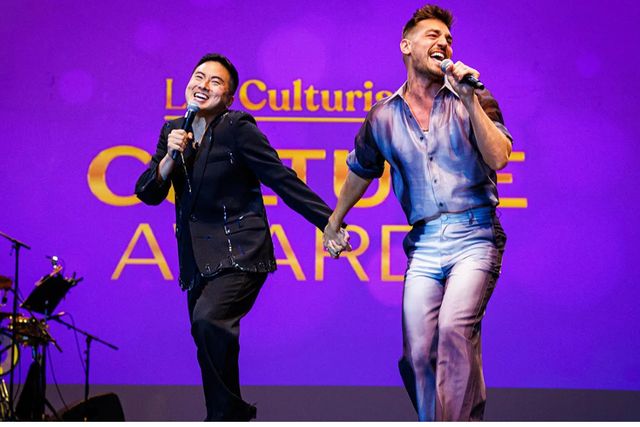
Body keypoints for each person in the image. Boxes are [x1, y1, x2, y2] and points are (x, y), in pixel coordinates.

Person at [323, 4, 512, 421]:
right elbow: (360, 170)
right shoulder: (383, 116)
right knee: (418, 355)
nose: (443, 43)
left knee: (455, 331)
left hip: (475, 234)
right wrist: (334, 222)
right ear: (406, 46)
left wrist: (469, 99)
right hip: (425, 243)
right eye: (432, 35)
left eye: (448, 38)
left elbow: (499, 156)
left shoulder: (474, 96)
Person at [135, 53, 347, 421]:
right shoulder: (173, 131)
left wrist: (328, 222)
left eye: (215, 82)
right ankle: (225, 417)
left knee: (208, 321)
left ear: (229, 97)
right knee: (208, 340)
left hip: (240, 251)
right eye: (198, 77)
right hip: (197, 260)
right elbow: (147, 193)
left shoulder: (236, 127)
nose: (203, 85)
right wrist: (169, 157)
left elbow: (280, 177)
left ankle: (228, 415)